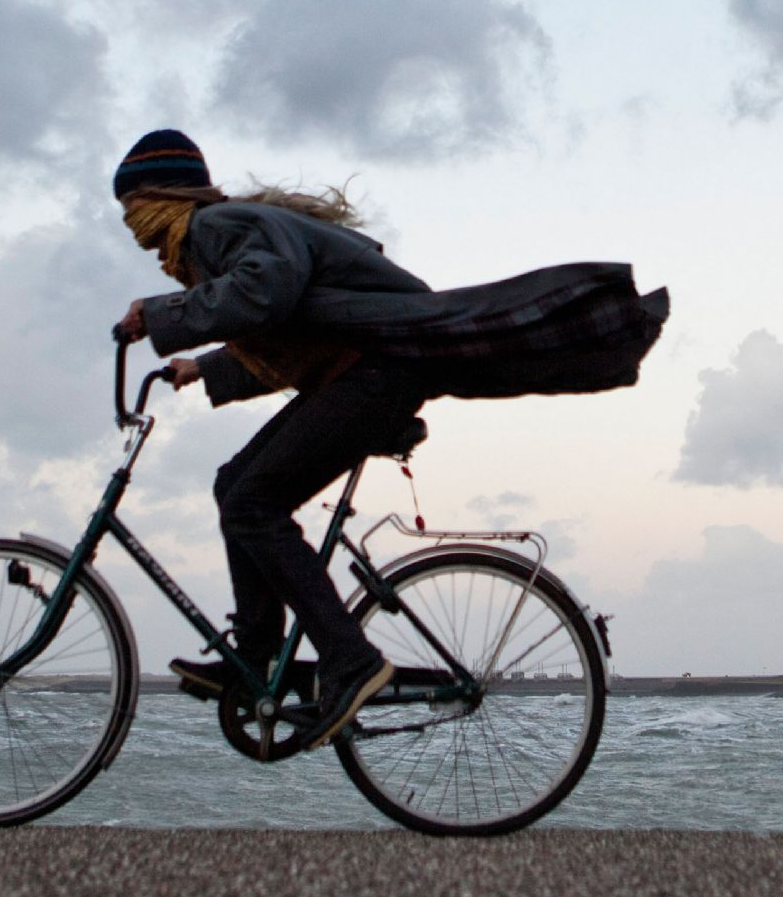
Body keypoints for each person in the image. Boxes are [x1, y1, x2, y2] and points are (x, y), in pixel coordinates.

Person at [112, 129, 667, 749]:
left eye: (129, 207)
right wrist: (208, 366)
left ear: (152, 196)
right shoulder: (217, 239)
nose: (131, 223)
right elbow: (297, 322)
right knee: (234, 485)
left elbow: (268, 291)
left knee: (251, 503)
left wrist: (162, 315)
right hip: (366, 372)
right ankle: (260, 656)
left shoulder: (219, 226)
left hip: (377, 374)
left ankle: (349, 660)